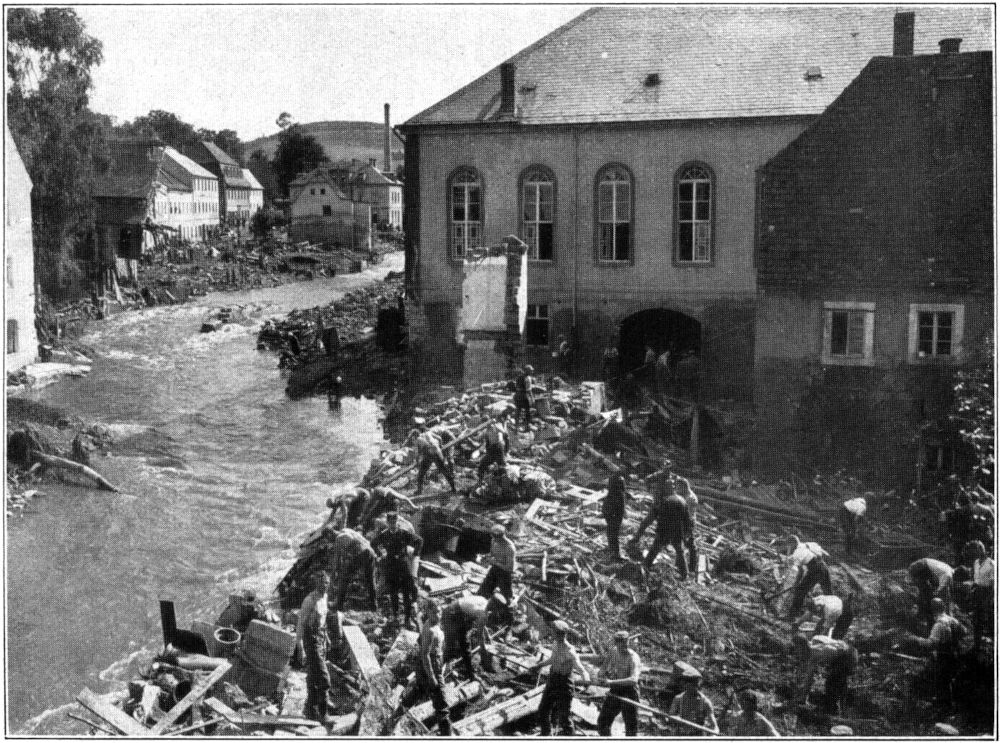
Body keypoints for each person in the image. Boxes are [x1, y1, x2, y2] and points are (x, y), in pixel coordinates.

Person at [397, 601, 452, 735]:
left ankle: (397, 713)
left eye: (439, 611)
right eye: (435, 612)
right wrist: (432, 676)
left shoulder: (436, 624)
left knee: (419, 690)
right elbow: (425, 654)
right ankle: (447, 734)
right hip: (430, 666)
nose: (438, 615)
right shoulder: (430, 630)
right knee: (441, 702)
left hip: (432, 664)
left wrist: (444, 662)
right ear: (428, 612)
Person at [904, 598, 966, 703]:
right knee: (951, 678)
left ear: (932, 610)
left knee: (942, 680)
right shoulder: (952, 620)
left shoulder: (939, 625)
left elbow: (930, 644)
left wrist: (915, 639)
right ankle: (952, 702)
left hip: (944, 656)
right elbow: (964, 631)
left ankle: (943, 705)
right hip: (956, 653)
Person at [537, 619, 591, 736]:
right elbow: (553, 659)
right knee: (543, 710)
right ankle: (546, 735)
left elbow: (581, 668)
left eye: (553, 631)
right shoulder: (555, 643)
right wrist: (540, 665)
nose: (551, 633)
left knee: (564, 717)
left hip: (564, 683)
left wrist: (586, 680)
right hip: (552, 679)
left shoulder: (570, 651)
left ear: (560, 634)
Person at [441, 592, 511, 678]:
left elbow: (481, 625)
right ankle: (467, 673)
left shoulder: (483, 600)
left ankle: (455, 663)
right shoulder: (482, 613)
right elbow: (479, 635)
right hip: (451, 615)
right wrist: (483, 650)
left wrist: (487, 635)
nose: (497, 611)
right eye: (497, 609)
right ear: (494, 607)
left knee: (461, 640)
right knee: (462, 646)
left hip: (453, 610)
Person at [372, 511, 424, 627]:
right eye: (390, 522)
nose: (392, 524)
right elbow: (373, 544)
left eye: (394, 522)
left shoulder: (403, 533)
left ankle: (407, 619)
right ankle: (395, 616)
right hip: (391, 567)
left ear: (397, 522)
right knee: (393, 593)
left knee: (406, 593)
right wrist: (380, 554)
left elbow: (419, 541)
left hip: (403, 566)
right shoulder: (384, 535)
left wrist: (415, 554)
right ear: (387, 523)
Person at [296, 572, 335, 724]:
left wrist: (327, 638)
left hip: (321, 638)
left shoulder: (325, 597)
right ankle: (323, 714)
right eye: (322, 582)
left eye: (327, 582)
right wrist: (300, 646)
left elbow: (323, 620)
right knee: (325, 679)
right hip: (311, 641)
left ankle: (310, 710)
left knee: (312, 675)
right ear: (316, 583)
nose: (325, 585)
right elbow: (301, 624)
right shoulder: (309, 600)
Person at [642, 478, 694, 580]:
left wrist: (658, 531)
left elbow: (661, 518)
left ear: (667, 488)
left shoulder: (666, 501)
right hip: (677, 531)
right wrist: (687, 531)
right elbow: (687, 519)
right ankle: (684, 574)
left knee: (655, 549)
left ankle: (646, 566)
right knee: (680, 551)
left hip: (665, 530)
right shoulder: (682, 500)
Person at [792, 634, 858, 714]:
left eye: (797, 648)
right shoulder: (816, 639)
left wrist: (803, 697)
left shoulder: (815, 654)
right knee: (836, 680)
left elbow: (809, 679)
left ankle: (832, 710)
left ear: (802, 647)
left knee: (831, 683)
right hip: (846, 651)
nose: (796, 651)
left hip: (848, 657)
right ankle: (842, 705)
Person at [596, 631, 642, 737]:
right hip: (616, 689)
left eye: (625, 642)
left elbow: (633, 679)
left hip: (630, 692)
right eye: (620, 642)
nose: (623, 645)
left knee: (631, 728)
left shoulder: (633, 657)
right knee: (603, 722)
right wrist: (601, 674)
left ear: (628, 641)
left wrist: (611, 682)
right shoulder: (614, 651)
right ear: (616, 642)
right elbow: (604, 665)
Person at [330, 527, 379, 611]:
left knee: (344, 578)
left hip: (361, 553)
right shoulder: (347, 530)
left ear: (329, 534)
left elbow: (337, 559)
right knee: (370, 580)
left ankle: (339, 605)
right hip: (370, 552)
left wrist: (334, 573)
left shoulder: (338, 539)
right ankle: (374, 606)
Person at [667, 662, 719, 735]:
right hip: (681, 735)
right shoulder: (678, 699)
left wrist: (714, 735)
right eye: (688, 685)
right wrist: (675, 718)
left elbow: (714, 726)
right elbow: (670, 717)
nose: (692, 688)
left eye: (695, 685)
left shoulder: (705, 702)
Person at [786, 538, 832, 617]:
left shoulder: (797, 553)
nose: (789, 547)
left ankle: (792, 615)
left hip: (815, 571)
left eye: (789, 545)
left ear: (792, 544)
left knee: (799, 591)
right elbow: (825, 554)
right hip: (824, 567)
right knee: (828, 592)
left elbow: (801, 572)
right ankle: (833, 612)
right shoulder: (808, 544)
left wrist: (796, 584)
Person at [963, 541, 994, 652]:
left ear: (981, 550)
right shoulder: (976, 562)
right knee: (977, 620)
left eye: (974, 551)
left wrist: (989, 600)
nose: (973, 554)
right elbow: (976, 580)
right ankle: (977, 645)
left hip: (987, 594)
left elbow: (994, 584)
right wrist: (971, 591)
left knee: (989, 620)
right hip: (977, 593)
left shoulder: (991, 564)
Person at [908, 558, 954, 629]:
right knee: (926, 595)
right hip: (921, 567)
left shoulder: (950, 570)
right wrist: (948, 614)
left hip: (925, 565)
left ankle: (923, 615)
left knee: (928, 594)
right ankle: (920, 616)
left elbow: (945, 594)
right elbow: (940, 592)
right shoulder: (948, 576)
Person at [414, 428, 457, 496]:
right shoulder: (428, 432)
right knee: (445, 471)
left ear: (414, 436)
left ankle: (419, 491)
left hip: (428, 454)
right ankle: (453, 488)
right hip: (437, 452)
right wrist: (440, 446)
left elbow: (417, 453)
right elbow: (439, 438)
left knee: (421, 474)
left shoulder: (417, 440)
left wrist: (417, 462)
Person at [479, 524, 516, 602]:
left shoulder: (509, 548)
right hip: (495, 569)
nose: (493, 539)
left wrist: (494, 562)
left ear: (501, 536)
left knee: (506, 599)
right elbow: (492, 553)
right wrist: (486, 556)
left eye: (496, 538)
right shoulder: (494, 540)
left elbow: (510, 568)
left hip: (505, 574)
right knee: (483, 592)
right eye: (493, 536)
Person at [676, 475, 700, 575]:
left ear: (684, 486)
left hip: (688, 523)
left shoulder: (690, 498)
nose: (677, 489)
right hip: (683, 522)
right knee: (680, 543)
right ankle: (679, 565)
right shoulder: (683, 494)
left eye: (679, 487)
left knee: (689, 544)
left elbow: (687, 514)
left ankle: (691, 567)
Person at [603, 471, 628, 559]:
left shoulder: (613, 495)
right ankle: (614, 551)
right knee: (613, 533)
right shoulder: (618, 495)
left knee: (612, 533)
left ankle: (614, 552)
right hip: (614, 515)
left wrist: (607, 514)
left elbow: (607, 508)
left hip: (613, 515)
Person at [478, 416, 509, 482]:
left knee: (502, 466)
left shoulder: (496, 427)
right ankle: (481, 480)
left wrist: (506, 449)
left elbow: (505, 434)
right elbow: (478, 438)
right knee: (482, 464)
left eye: (485, 423)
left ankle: (504, 481)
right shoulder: (485, 431)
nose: (484, 425)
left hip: (498, 448)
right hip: (491, 450)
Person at [513, 365, 536, 430]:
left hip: (517, 396)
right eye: (530, 371)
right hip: (524, 396)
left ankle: (516, 426)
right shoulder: (528, 378)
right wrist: (532, 398)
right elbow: (529, 390)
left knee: (518, 411)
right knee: (527, 411)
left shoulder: (519, 377)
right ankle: (527, 427)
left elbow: (516, 387)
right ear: (527, 371)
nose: (532, 372)